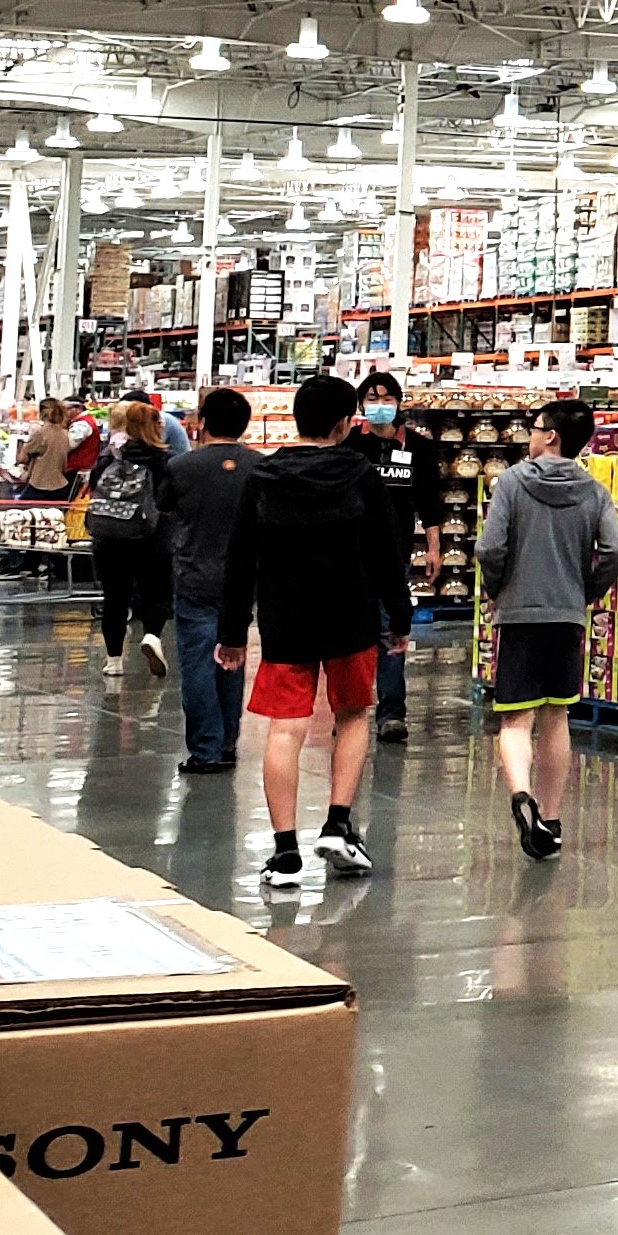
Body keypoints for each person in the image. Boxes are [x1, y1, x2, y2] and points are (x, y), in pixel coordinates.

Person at [218, 375, 409, 889]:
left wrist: (232, 632)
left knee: (285, 730)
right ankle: (338, 824)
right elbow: (387, 552)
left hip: (286, 619)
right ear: (346, 423)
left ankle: (284, 855)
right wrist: (400, 616)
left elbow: (240, 561)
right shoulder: (362, 475)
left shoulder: (263, 477)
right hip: (352, 616)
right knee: (351, 715)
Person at [477, 399, 618, 860]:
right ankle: (553, 819)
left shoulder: (512, 483)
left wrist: (498, 589)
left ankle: (522, 797)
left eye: (534, 428)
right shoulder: (595, 490)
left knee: (515, 719)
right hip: (566, 615)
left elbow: (489, 547)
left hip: (519, 614)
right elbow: (617, 551)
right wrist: (585, 592)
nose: (530, 436)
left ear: (551, 437)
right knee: (557, 716)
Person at [345, 371, 448, 744]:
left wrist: (433, 548)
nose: (380, 405)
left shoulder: (419, 448)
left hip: (394, 554)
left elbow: (429, 502)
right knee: (353, 633)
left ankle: (391, 713)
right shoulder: (351, 445)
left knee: (392, 629)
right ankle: (350, 707)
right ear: (361, 405)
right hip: (350, 554)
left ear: (399, 402)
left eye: (387, 398)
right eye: (372, 398)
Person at [163, 388, 262, 775]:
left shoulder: (182, 466)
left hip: (195, 577)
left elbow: (166, 506)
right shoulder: (260, 466)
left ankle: (205, 748)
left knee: (198, 665)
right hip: (242, 582)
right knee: (233, 659)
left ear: (203, 422)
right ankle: (226, 743)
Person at [80, 401, 174, 683]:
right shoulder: (163, 460)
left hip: (109, 535)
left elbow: (94, 484)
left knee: (115, 599)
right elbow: (169, 498)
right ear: (155, 426)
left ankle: (113, 661)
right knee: (154, 594)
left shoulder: (109, 455)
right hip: (151, 536)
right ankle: (151, 637)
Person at [11, 396, 75, 502]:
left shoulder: (40, 433)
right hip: (61, 485)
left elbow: (22, 458)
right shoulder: (65, 433)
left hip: (40, 485)